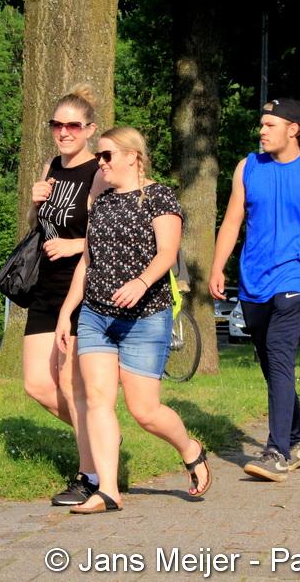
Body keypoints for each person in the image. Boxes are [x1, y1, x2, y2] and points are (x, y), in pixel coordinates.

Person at [55, 127, 210, 513]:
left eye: (107, 155)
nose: (101, 163)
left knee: (144, 411)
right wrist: (67, 311)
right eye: (99, 156)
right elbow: (87, 261)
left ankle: (190, 449)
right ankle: (108, 490)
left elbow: (167, 252)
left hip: (145, 317)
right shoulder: (101, 202)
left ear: (132, 156)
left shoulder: (159, 196)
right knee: (97, 400)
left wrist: (140, 283)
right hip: (96, 316)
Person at [209, 98, 300, 482]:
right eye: (261, 124)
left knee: (280, 354)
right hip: (254, 281)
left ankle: (277, 451)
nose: (262, 131)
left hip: (295, 278)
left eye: (270, 125)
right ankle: (299, 440)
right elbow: (232, 221)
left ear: (293, 129)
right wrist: (218, 265)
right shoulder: (248, 167)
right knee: (272, 363)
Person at [25, 85, 106, 507]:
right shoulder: (51, 166)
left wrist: (76, 246)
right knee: (37, 384)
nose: (64, 132)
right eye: (57, 125)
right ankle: (102, 437)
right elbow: (40, 226)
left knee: (71, 384)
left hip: (80, 287)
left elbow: (108, 233)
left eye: (73, 125)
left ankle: (90, 474)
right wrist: (34, 202)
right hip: (45, 286)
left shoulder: (99, 172)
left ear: (89, 130)